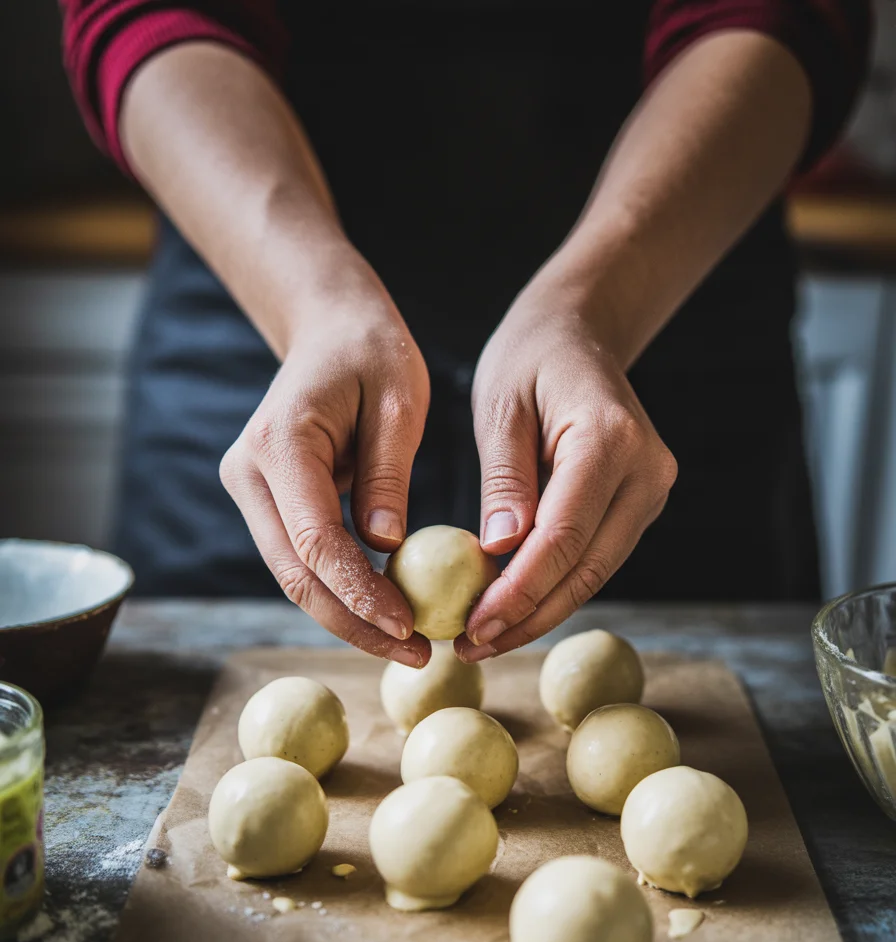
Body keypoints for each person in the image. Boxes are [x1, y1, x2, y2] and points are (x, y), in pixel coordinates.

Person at [61, 1, 870, 669]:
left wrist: (596, 304)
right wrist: (313, 302)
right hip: (257, 264)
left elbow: (786, 13)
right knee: (202, 683)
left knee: (715, 694)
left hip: (666, 275)